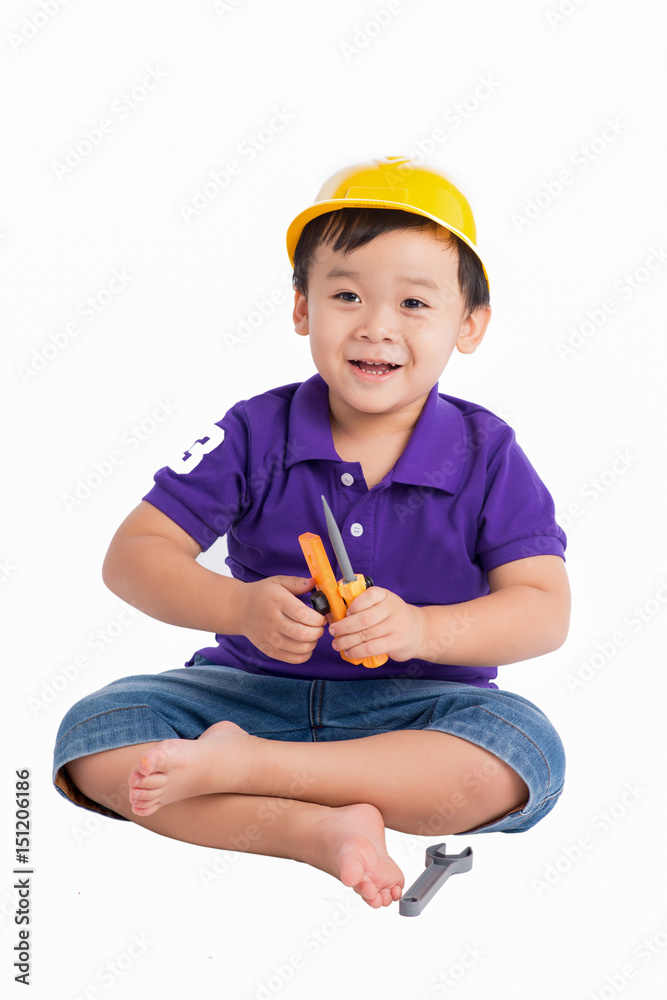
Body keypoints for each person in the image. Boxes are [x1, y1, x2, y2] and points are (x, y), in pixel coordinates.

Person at [53, 156, 570, 910]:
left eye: (414, 304)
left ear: (469, 326)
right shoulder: (252, 431)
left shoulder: (487, 453)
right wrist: (237, 609)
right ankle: (317, 833)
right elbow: (132, 557)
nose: (376, 325)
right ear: (302, 308)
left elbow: (542, 609)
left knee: (523, 755)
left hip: (414, 711)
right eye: (347, 294)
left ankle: (249, 771)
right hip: (244, 693)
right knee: (92, 735)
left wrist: (423, 629)